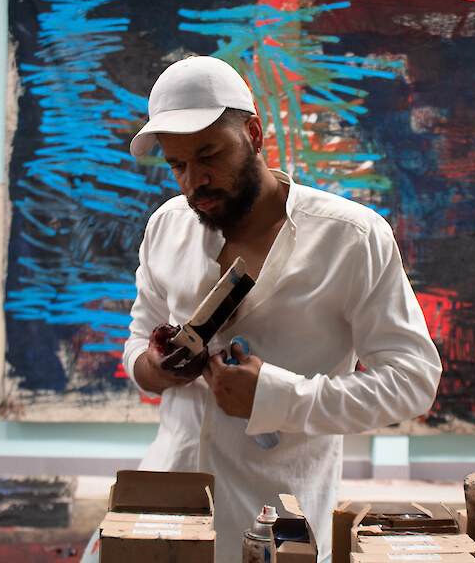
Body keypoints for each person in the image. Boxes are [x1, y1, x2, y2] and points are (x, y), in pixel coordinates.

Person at [81, 56, 442, 563]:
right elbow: (138, 348)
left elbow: (413, 381)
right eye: (177, 165)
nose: (194, 182)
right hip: (162, 502)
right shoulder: (166, 227)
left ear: (253, 133)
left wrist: (278, 397)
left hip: (275, 524)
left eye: (209, 154)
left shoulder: (353, 238)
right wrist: (156, 368)